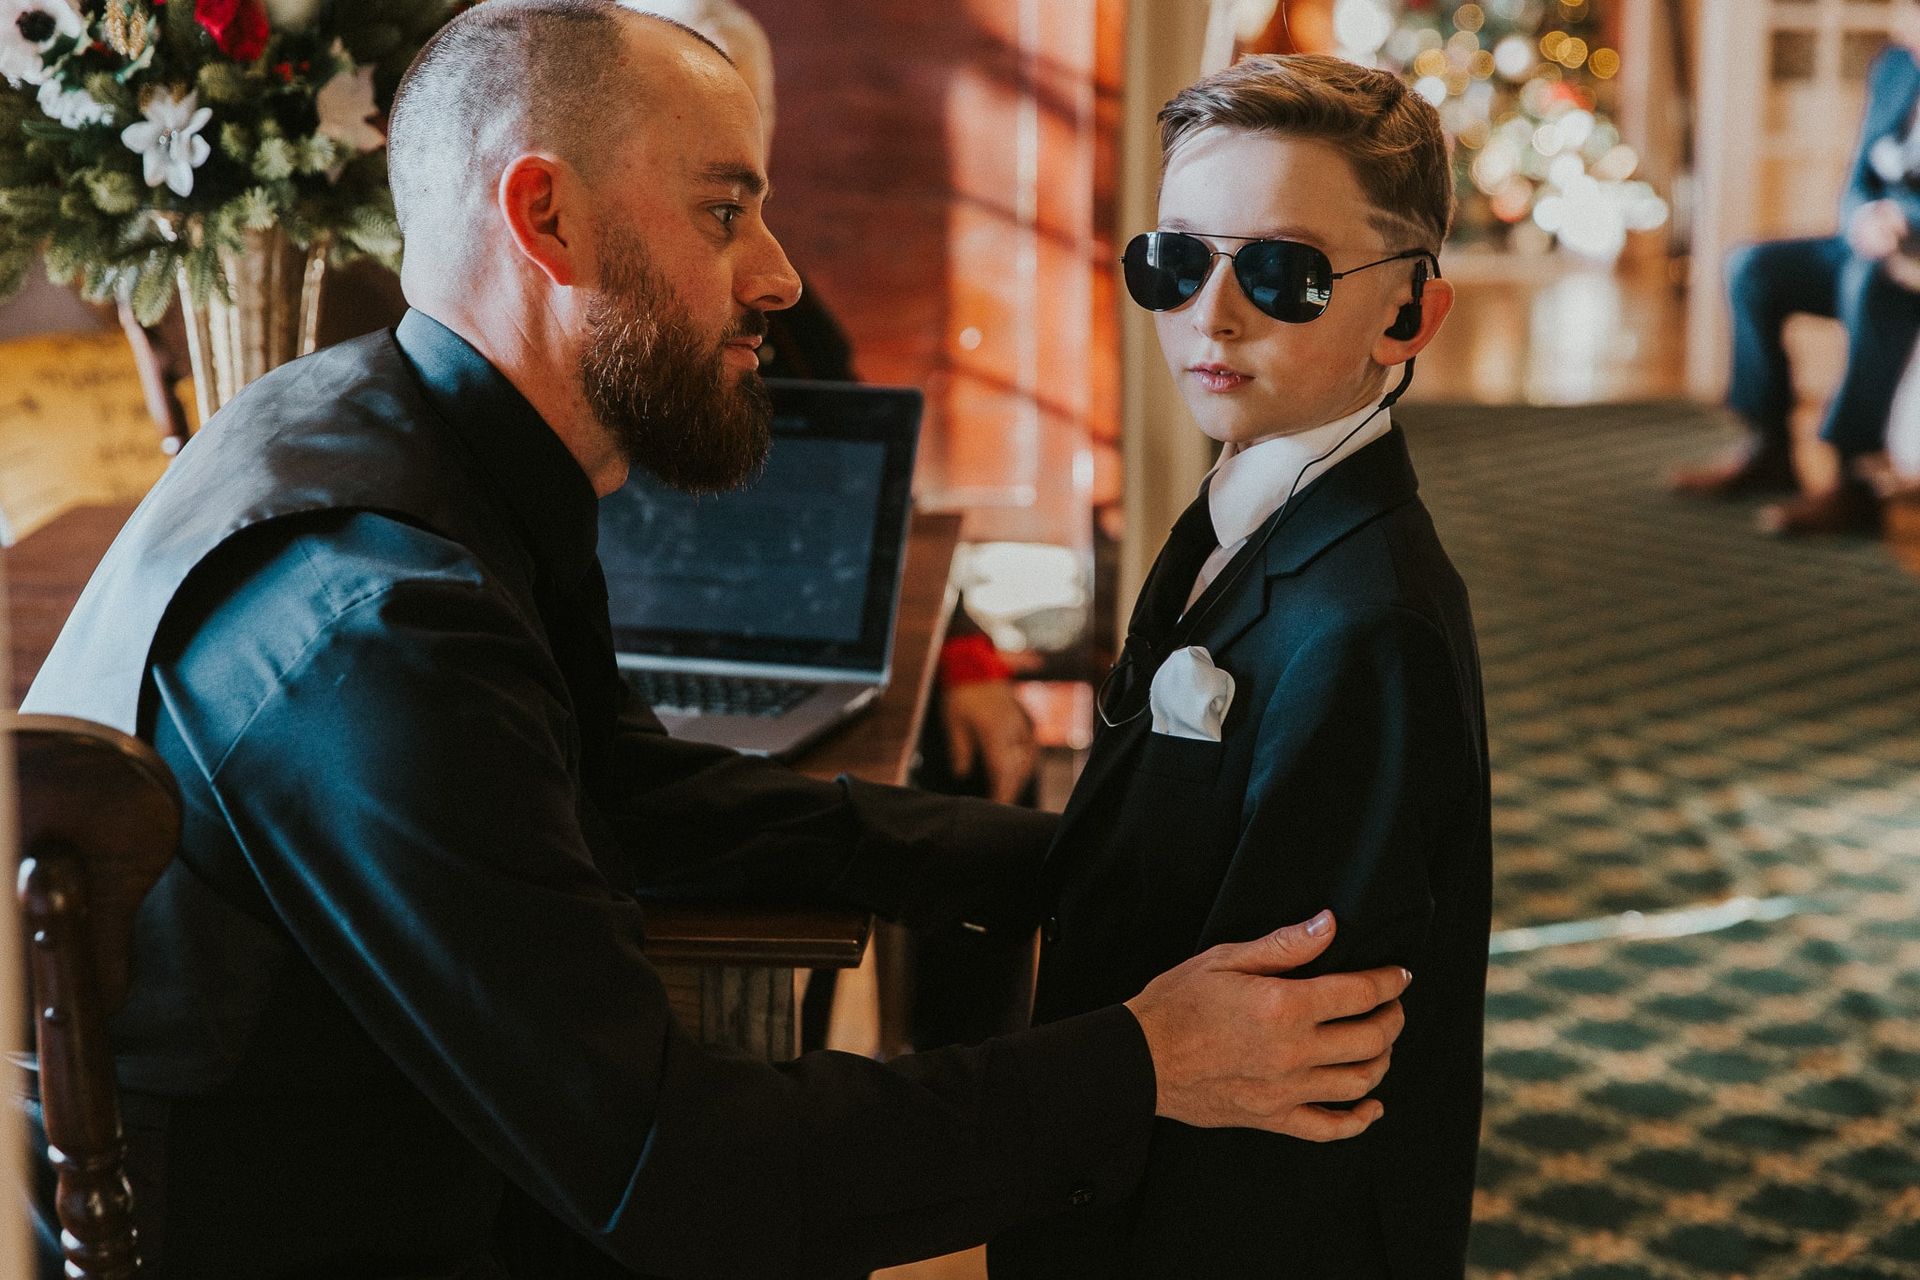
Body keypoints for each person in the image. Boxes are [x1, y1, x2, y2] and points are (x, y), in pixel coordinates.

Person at [19, 6, 1414, 1277]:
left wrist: (1055, 863)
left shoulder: (376, 417)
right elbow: (673, 1173)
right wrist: (1145, 1065)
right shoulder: (377, 622)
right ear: (547, 219)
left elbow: (621, 790)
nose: (780, 277)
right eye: (726, 211)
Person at [989, 55, 1490, 1278]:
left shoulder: (1371, 625)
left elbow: (1290, 1073)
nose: (1212, 315)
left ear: (1409, 312)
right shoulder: (1250, 502)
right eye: (1176, 260)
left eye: (1282, 272)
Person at [1671, 9, 1920, 536]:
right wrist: (1862, 217)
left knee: (1872, 282)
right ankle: (1770, 447)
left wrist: (1906, 220)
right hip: (1874, 239)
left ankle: (1855, 481)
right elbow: (1858, 177)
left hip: (1907, 252)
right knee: (1753, 267)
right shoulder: (1896, 67)